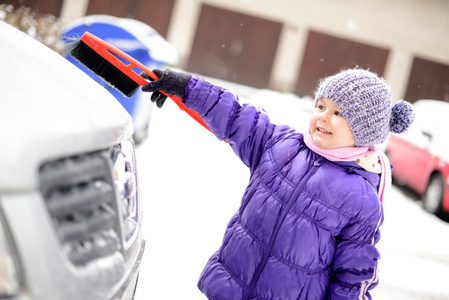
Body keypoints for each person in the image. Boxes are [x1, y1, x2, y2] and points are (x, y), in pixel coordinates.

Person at [141, 68, 414, 300]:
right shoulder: (281, 145)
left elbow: (354, 275)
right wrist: (186, 87)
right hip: (230, 287)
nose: (323, 116)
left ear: (364, 130)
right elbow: (236, 115)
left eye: (338, 113)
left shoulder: (361, 198)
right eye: (321, 106)